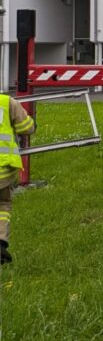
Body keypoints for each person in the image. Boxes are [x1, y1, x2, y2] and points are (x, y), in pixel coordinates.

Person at [0, 92, 34, 264]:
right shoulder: (6, 102)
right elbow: (26, 128)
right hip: (2, 171)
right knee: (3, 204)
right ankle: (0, 242)